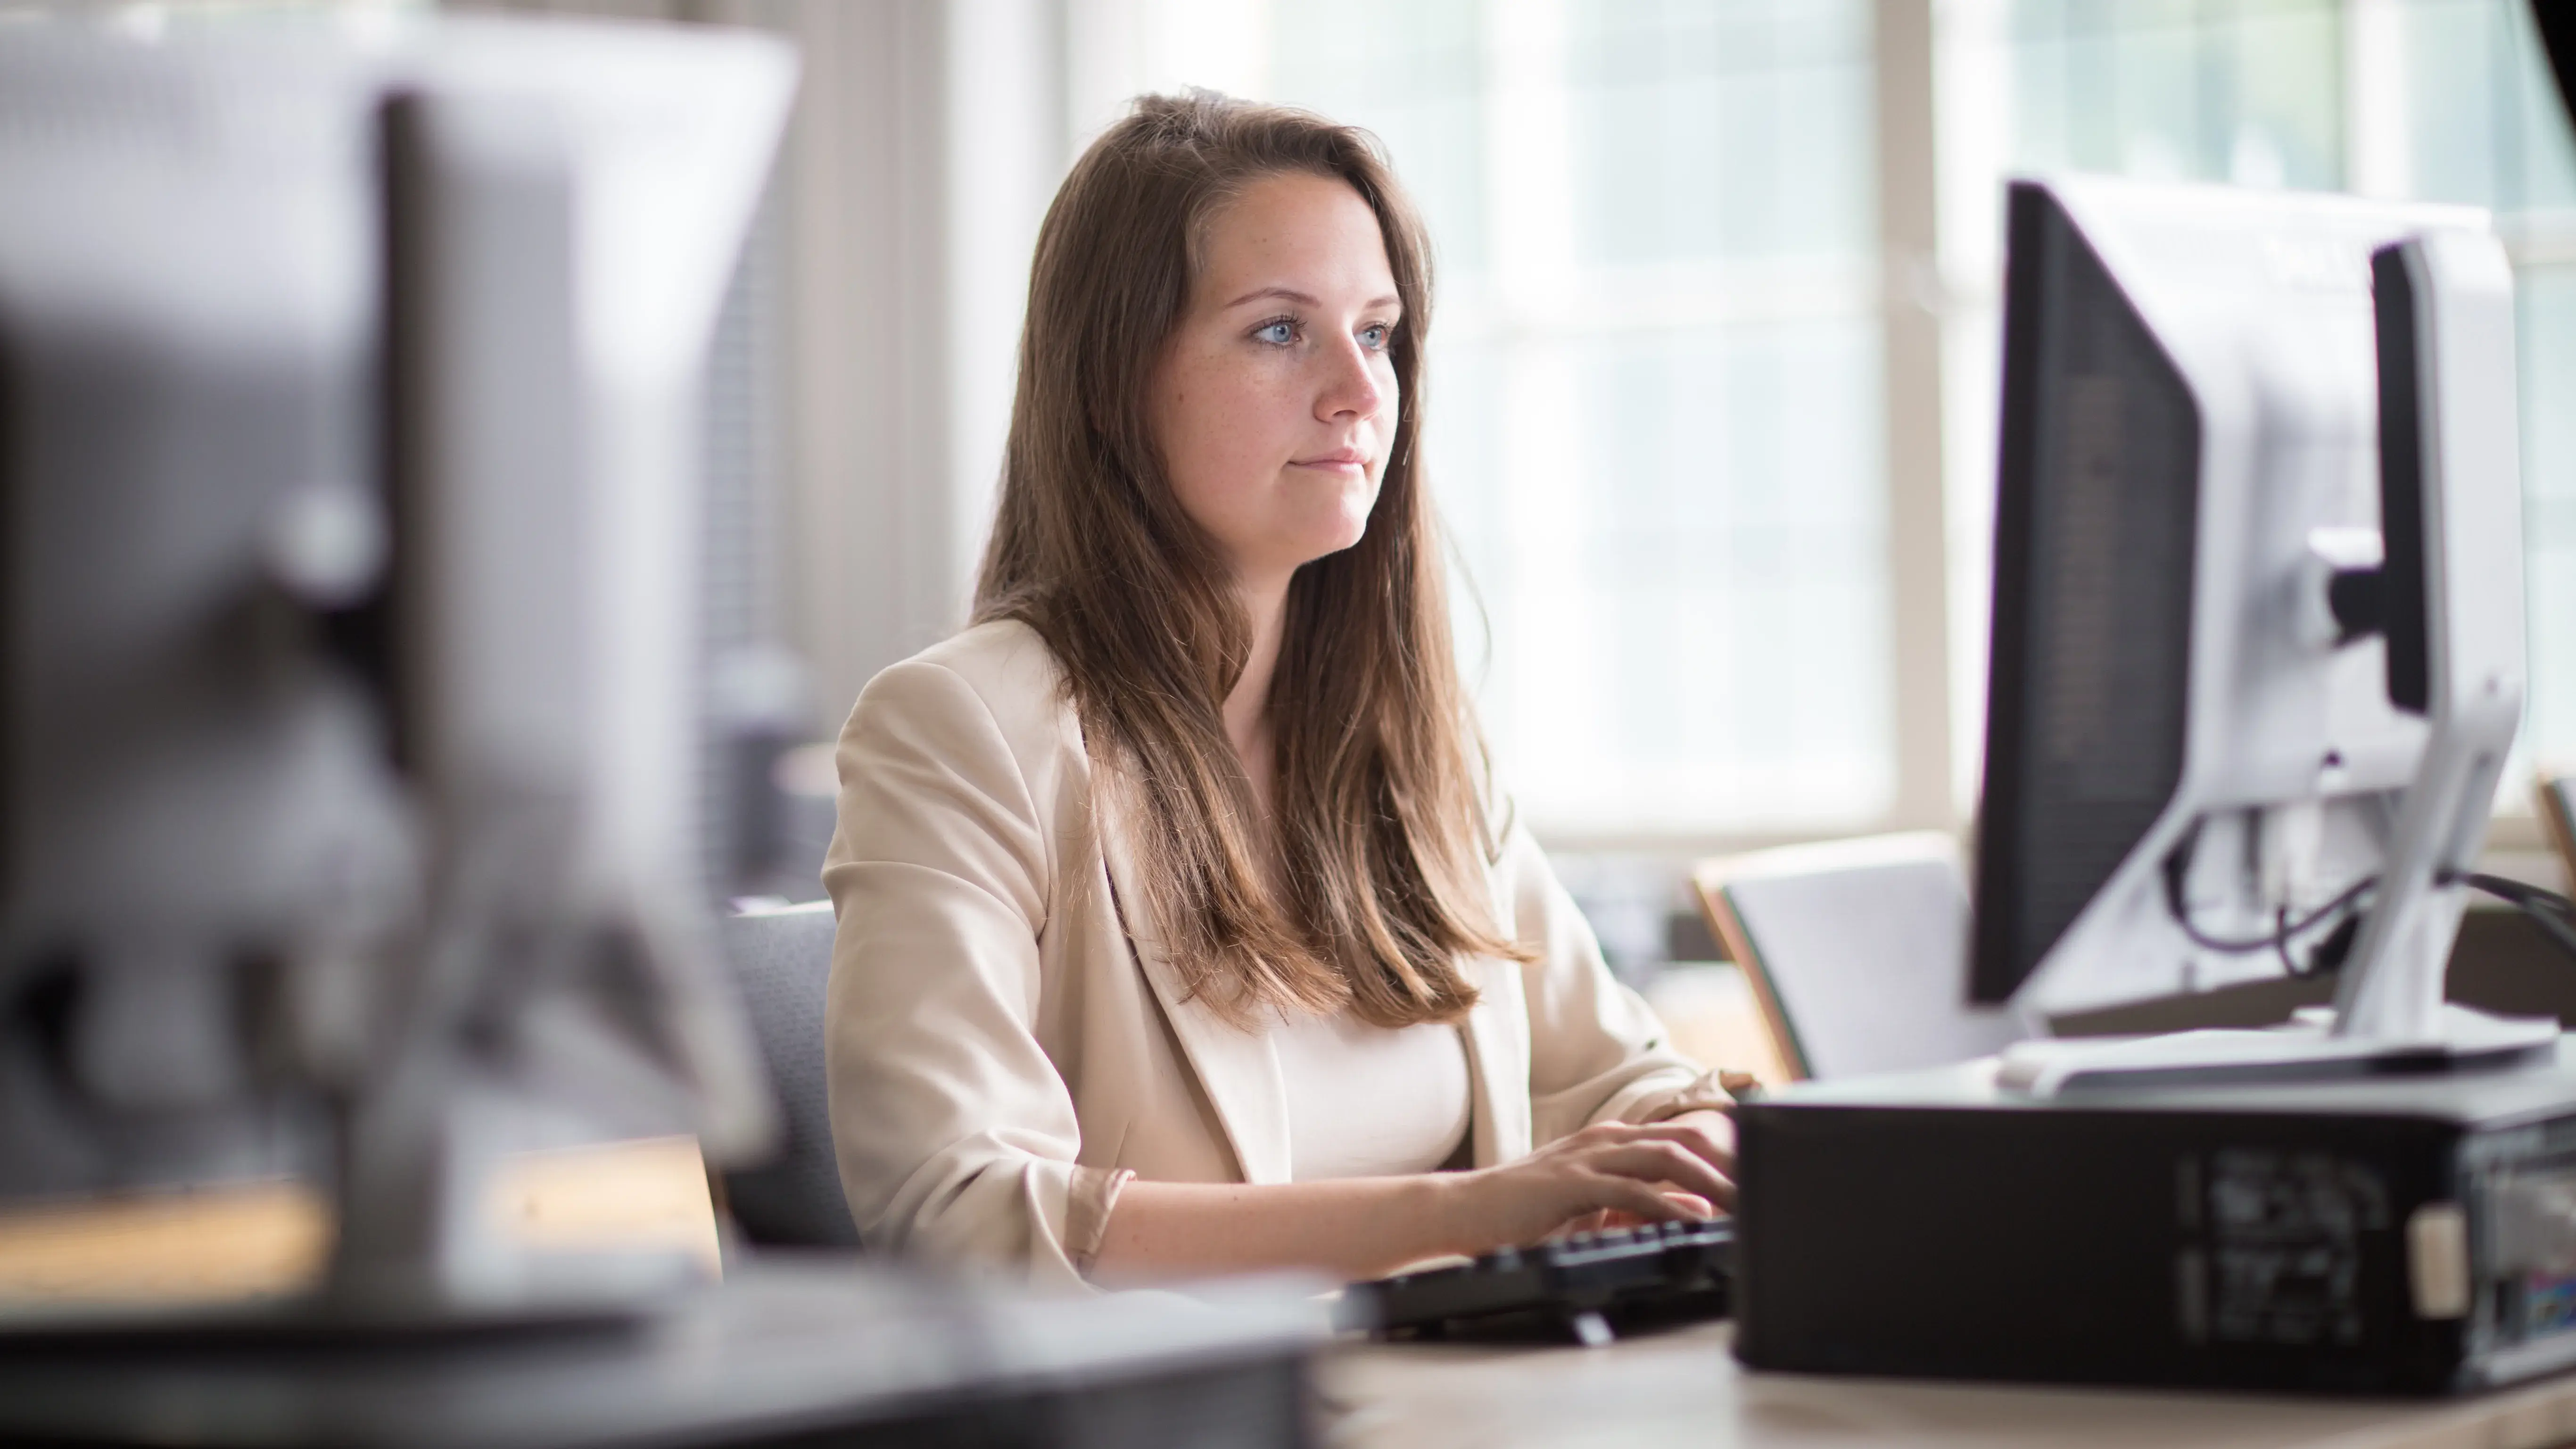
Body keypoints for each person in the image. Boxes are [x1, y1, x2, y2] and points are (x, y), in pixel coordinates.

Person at [822, 91, 1738, 1292]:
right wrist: (1470, 1214)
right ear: (1111, 381)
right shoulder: (963, 730)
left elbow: (1626, 1081)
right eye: (1276, 331)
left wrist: (1702, 1139)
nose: (1359, 391)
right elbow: (959, 1212)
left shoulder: (1411, 738)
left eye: (1377, 333)